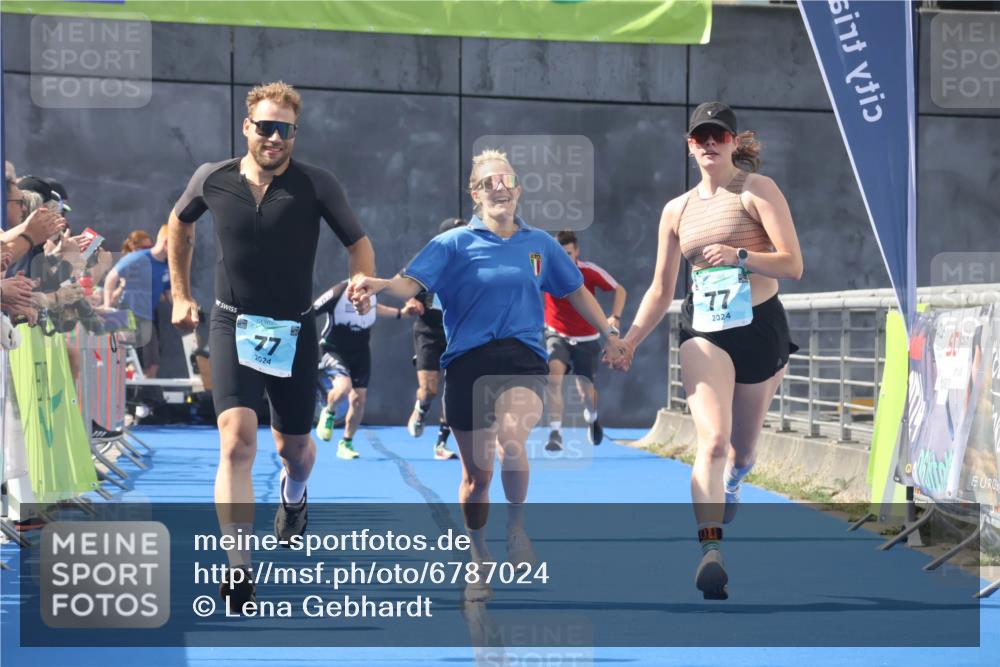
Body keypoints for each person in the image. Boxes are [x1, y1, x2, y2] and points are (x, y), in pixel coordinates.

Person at [348, 149, 626, 601]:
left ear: (518, 190)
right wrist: (378, 284)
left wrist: (610, 334)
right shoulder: (452, 244)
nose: (499, 188)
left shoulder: (540, 245)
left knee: (511, 439)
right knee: (477, 477)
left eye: (506, 180)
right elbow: (408, 284)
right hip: (467, 363)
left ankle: (516, 528)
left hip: (523, 359)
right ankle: (479, 558)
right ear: (475, 194)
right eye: (489, 182)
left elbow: (576, 292)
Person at [167, 81, 375, 613]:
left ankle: (294, 494)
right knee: (236, 441)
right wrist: (182, 294)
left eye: (286, 129)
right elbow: (179, 225)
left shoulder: (316, 184)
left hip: (293, 330)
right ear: (247, 127)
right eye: (266, 127)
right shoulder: (212, 178)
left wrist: (360, 281)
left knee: (293, 451)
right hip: (232, 323)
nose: (275, 137)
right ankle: (239, 569)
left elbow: (358, 243)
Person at [608, 102, 802, 600]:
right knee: (712, 441)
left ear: (734, 142)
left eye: (719, 135)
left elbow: (792, 264)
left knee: (742, 449)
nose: (710, 143)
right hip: (705, 332)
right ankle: (710, 550)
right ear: (690, 146)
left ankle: (735, 479)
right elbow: (660, 289)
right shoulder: (677, 210)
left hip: (759, 327)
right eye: (701, 137)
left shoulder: (757, 190)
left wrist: (741, 256)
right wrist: (630, 340)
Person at [544, 230, 627, 450]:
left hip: (587, 338)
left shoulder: (589, 271)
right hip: (557, 334)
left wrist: (615, 317)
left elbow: (619, 290)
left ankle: (592, 418)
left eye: (568, 254)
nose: (564, 258)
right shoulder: (545, 269)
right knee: (554, 377)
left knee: (585, 393)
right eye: (560, 253)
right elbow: (530, 274)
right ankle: (555, 433)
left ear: (577, 252)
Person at [313, 279, 413, 460]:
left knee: (359, 400)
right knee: (343, 388)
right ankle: (329, 411)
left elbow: (376, 308)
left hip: (360, 353)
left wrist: (401, 313)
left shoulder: (373, 289)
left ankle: (346, 443)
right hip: (334, 349)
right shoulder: (338, 292)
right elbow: (311, 311)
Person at [402, 217, 466, 461]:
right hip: (428, 330)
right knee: (429, 389)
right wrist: (412, 300)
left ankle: (441, 443)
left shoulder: (472, 262)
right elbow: (404, 283)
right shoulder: (427, 259)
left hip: (457, 332)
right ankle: (421, 409)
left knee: (454, 392)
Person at [104, 224, 170, 378]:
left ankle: (145, 388)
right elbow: (111, 278)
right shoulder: (136, 259)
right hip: (130, 314)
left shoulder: (165, 266)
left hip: (147, 316)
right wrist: (108, 308)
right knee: (135, 361)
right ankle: (131, 388)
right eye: (143, 247)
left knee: (153, 362)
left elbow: (168, 292)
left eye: (148, 246)